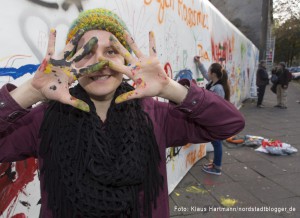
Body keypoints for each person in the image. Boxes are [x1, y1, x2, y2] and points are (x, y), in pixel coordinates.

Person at [0, 8, 245, 218]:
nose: (101, 63)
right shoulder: (44, 119)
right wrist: (31, 92)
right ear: (71, 61)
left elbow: (228, 124)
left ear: (126, 59)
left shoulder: (156, 115)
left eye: (111, 52)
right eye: (87, 53)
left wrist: (169, 87)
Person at [194, 56, 231, 176]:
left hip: (216, 120)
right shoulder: (213, 83)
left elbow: (218, 107)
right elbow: (204, 73)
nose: (208, 73)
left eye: (210, 71)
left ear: (214, 74)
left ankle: (217, 168)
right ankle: (215, 164)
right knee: (216, 142)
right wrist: (199, 63)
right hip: (213, 119)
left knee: (217, 143)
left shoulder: (219, 88)